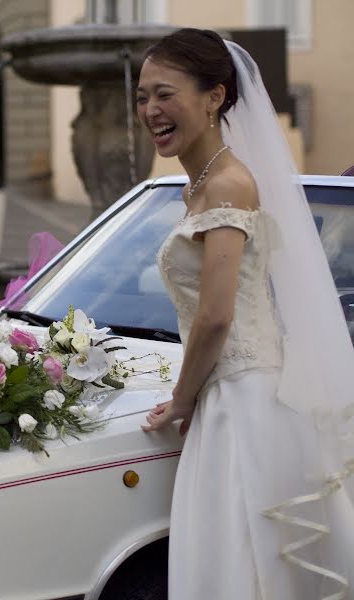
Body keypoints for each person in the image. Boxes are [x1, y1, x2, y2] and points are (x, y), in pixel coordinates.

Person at [137, 29, 353, 598]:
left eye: (164, 94)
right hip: (229, 390)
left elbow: (215, 316)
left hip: (245, 399)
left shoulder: (228, 187)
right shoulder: (201, 185)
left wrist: (181, 400)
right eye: (142, 97)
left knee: (245, 559)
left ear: (214, 97)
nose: (150, 110)